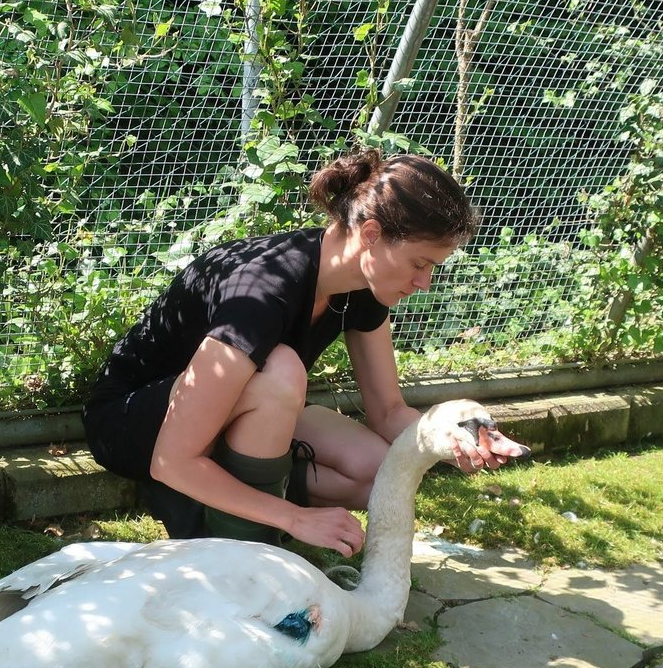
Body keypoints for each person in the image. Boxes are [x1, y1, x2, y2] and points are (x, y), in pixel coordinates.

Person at [82, 148, 511, 557]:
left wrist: (450, 439)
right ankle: (244, 552)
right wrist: (295, 519)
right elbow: (171, 460)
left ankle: (245, 502)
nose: (425, 283)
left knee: (381, 471)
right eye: (420, 263)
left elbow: (387, 412)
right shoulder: (262, 291)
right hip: (135, 425)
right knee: (283, 372)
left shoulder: (361, 286)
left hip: (228, 414)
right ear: (371, 235)